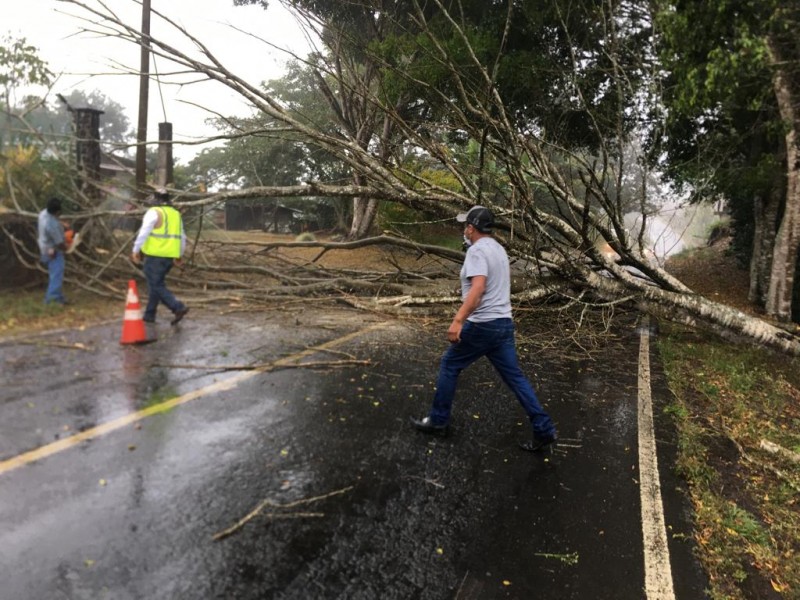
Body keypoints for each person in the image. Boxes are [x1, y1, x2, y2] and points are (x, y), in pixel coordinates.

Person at [410, 205, 558, 452]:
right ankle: (544, 429)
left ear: (471, 227)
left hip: (483, 325)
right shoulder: (498, 249)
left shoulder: (477, 252)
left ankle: (438, 421)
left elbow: (478, 289)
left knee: (450, 364)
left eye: (465, 226)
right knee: (515, 378)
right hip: (503, 325)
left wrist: (458, 321)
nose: (463, 230)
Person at [131, 188, 189, 325]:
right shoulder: (176, 214)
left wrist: (135, 250)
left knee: (156, 285)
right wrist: (179, 254)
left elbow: (143, 232)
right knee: (155, 285)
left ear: (155, 200)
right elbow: (182, 236)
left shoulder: (154, 212)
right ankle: (149, 315)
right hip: (168, 257)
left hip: (154, 256)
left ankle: (177, 307)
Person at [37, 197, 69, 305]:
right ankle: (52, 299)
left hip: (43, 246)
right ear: (57, 211)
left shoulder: (43, 214)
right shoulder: (52, 225)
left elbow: (53, 221)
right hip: (52, 250)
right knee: (56, 274)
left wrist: (62, 224)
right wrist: (68, 247)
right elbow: (59, 242)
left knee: (54, 274)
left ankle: (58, 297)